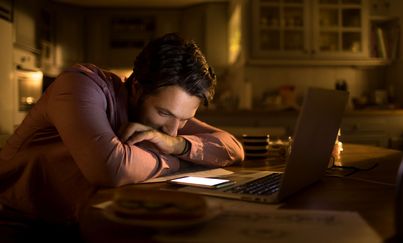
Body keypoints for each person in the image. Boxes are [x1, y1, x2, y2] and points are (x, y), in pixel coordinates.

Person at [0, 33, 244, 224]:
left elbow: (233, 147)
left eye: (183, 119)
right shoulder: (79, 85)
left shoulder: (167, 115)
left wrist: (177, 145)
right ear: (137, 88)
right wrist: (181, 159)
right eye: (164, 113)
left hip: (82, 214)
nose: (173, 130)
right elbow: (110, 167)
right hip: (19, 222)